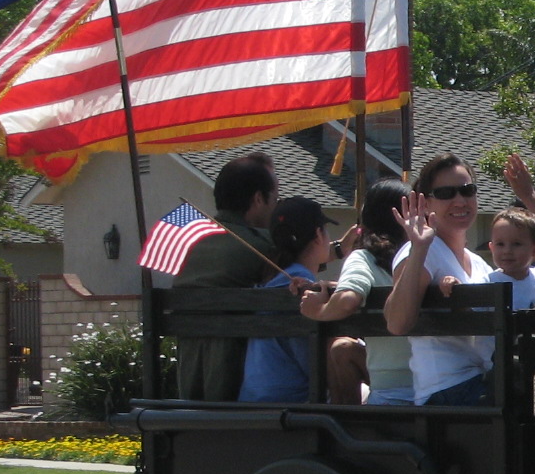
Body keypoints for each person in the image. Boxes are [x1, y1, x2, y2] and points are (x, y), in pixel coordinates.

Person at [387, 153, 497, 406]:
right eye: (447, 193)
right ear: (425, 204)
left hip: (484, 380)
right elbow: (397, 323)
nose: (460, 200)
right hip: (449, 389)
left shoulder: (479, 263)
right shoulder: (422, 251)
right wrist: (420, 247)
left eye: (467, 190)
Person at [174, 153, 277, 400]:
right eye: (276, 197)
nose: (276, 205)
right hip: (239, 381)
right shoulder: (261, 247)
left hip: (189, 381)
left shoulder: (190, 245)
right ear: (259, 198)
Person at [300, 179, 412, 406]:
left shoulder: (365, 258)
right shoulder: (424, 254)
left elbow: (348, 300)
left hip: (391, 384)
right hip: (437, 377)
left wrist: (318, 311)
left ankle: (348, 427)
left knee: (340, 349)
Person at [238, 197, 335, 403]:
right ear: (318, 234)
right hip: (293, 404)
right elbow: (316, 367)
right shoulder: (300, 288)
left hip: (251, 401)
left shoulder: (271, 280)